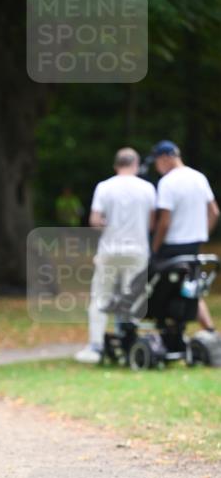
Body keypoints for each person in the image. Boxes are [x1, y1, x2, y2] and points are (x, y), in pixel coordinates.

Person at [74, 148, 156, 364]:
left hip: (110, 249)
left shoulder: (104, 187)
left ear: (116, 165)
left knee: (100, 296)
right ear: (136, 165)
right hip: (137, 250)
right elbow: (152, 222)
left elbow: (94, 220)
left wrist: (107, 226)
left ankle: (96, 346)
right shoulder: (147, 188)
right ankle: (130, 343)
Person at [150, 140, 219, 332]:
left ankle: (165, 327)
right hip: (194, 246)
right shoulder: (199, 178)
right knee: (191, 288)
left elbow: (164, 221)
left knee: (164, 288)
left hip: (172, 246)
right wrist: (202, 234)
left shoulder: (167, 182)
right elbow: (214, 212)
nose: (157, 166)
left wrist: (154, 249)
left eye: (157, 161)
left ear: (166, 158)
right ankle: (210, 331)